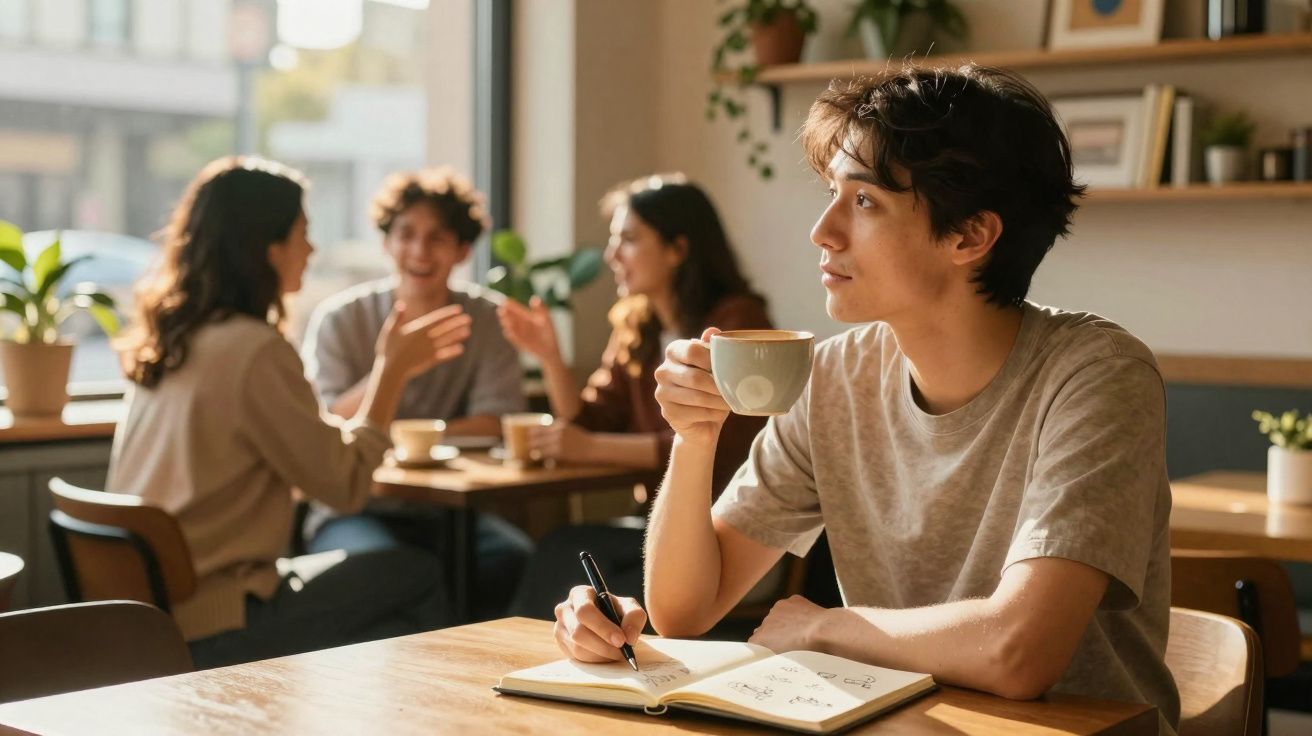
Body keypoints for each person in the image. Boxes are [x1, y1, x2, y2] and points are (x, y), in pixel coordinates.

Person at [551, 67, 1181, 734]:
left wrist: (831, 628)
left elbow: (1017, 651)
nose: (823, 231)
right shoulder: (832, 377)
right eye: (832, 195)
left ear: (970, 236)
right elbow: (684, 610)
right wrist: (694, 434)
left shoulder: (1096, 375)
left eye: (865, 202)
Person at [110, 156, 469, 669]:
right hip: (221, 615)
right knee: (420, 575)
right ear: (268, 248)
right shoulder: (254, 350)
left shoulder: (173, 341)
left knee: (389, 623)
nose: (312, 248)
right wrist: (390, 371)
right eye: (303, 232)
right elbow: (345, 488)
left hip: (154, 616)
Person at [504, 174, 772, 618]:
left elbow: (718, 445)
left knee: (565, 554)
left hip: (725, 531)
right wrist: (550, 358)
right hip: (658, 525)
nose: (612, 256)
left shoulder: (737, 323)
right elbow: (591, 419)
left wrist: (590, 448)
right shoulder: (638, 326)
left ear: (678, 249)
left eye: (628, 240)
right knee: (566, 553)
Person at [299, 168, 532, 620]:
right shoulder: (341, 320)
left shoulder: (486, 320)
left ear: (462, 250)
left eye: (438, 238)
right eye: (406, 234)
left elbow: (496, 422)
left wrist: (410, 435)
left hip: (451, 513)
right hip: (354, 507)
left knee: (515, 560)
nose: (419, 251)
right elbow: (322, 423)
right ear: (386, 242)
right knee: (389, 571)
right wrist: (393, 367)